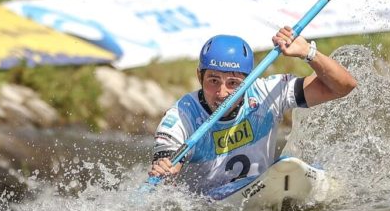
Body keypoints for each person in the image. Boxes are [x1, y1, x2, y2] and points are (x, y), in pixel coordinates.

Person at [148, 27, 357, 197]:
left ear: (249, 80)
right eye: (213, 80)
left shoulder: (267, 93)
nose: (222, 93)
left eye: (233, 83)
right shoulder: (181, 116)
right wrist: (167, 170)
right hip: (210, 206)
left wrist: (308, 53)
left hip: (262, 187)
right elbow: (167, 167)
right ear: (199, 76)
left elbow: (344, 86)